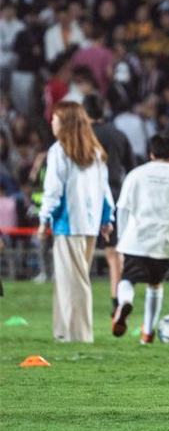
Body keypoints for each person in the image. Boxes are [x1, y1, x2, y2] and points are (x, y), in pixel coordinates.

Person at [37, 101, 113, 343]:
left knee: (73, 281)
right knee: (69, 279)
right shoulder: (96, 153)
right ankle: (62, 331)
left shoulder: (59, 151)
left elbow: (53, 190)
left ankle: (79, 334)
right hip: (89, 225)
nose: (52, 122)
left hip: (67, 224)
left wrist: (43, 219)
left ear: (66, 123)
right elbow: (104, 191)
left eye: (56, 118)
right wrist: (106, 219)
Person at [112, 133, 169, 345]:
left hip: (135, 238)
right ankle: (147, 333)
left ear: (151, 154)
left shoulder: (136, 175)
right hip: (164, 241)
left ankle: (124, 302)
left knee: (127, 279)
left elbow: (123, 208)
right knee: (155, 284)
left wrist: (121, 239)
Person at [83, 94, 135, 315]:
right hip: (114, 194)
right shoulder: (118, 135)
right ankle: (117, 302)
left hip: (86, 195)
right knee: (114, 252)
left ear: (84, 114)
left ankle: (82, 300)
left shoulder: (82, 136)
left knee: (84, 249)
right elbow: (131, 168)